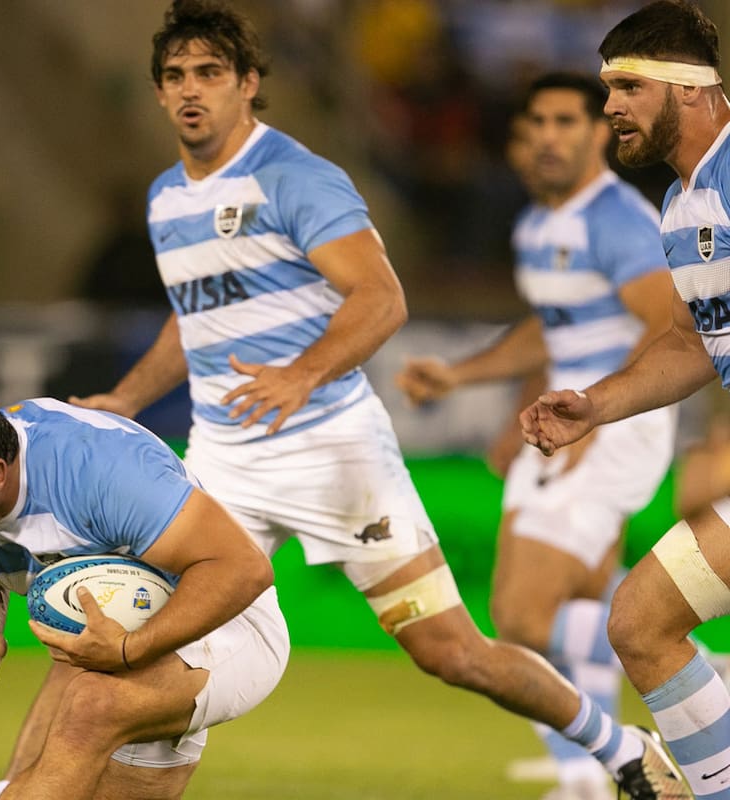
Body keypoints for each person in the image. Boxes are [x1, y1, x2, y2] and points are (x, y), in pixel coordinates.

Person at [69, 2, 688, 797]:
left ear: (249, 84)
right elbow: (190, 324)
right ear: (158, 92)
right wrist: (123, 397)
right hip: (224, 458)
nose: (192, 91)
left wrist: (302, 373)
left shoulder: (294, 177)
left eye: (211, 74)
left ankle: (620, 747)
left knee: (452, 652)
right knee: (154, 633)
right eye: (176, 76)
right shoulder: (166, 198)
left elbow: (381, 298)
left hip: (333, 452)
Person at [396, 72, 677, 800]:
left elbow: (666, 325)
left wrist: (598, 409)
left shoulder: (615, 220)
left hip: (614, 425)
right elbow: (552, 333)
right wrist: (467, 381)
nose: (548, 137)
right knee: (578, 598)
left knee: (521, 615)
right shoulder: (537, 225)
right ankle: (621, 738)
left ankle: (607, 755)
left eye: (565, 121)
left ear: (597, 135)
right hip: (566, 421)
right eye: (536, 123)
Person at [521, 2, 730, 798]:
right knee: (640, 619)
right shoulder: (683, 208)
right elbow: (688, 342)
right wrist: (596, 405)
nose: (609, 105)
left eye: (628, 85)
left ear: (692, 89)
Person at [0, 387, 289, 800]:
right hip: (127, 647)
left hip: (227, 622)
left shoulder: (102, 474)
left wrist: (131, 650)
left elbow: (243, 569)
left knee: (90, 703)